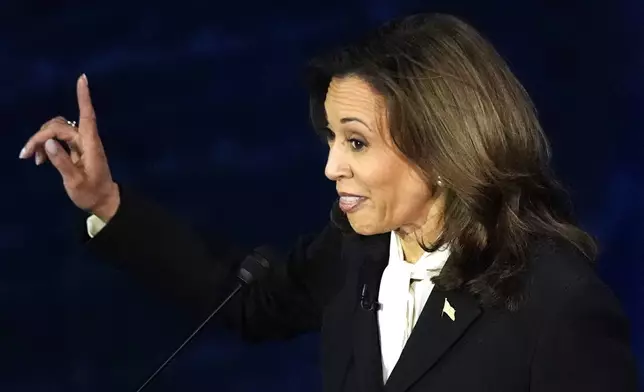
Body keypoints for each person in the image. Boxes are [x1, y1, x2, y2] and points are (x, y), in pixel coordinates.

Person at [20, 13, 637, 392]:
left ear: (440, 146)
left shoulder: (557, 303)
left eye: (357, 142)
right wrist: (106, 202)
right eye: (333, 138)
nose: (330, 166)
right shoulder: (357, 252)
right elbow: (246, 302)